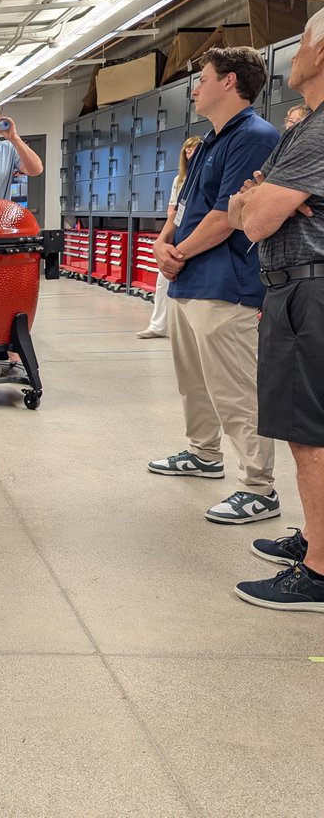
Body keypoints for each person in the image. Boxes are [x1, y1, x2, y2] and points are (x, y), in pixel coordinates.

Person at [147, 46, 281, 524]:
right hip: (189, 280)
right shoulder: (207, 140)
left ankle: (258, 487)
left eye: (202, 78)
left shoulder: (255, 137)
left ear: (229, 82)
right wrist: (164, 243)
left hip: (226, 283)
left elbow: (227, 217)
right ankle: (204, 453)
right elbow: (182, 206)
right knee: (195, 383)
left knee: (236, 388)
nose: (195, 88)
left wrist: (177, 254)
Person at [227, 12, 324, 611]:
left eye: (304, 44)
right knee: (306, 431)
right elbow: (253, 205)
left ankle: (319, 571)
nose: (292, 57)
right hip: (296, 287)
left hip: (309, 291)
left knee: (309, 435)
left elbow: (254, 219)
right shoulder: (304, 128)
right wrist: (258, 200)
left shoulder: (316, 133)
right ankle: (317, 537)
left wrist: (259, 201)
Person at [138, 136, 203, 339]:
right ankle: (158, 325)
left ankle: (189, 329)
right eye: (187, 150)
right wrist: (164, 238)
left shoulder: (205, 175)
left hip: (199, 234)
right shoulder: (179, 180)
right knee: (162, 279)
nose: (190, 153)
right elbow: (172, 208)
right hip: (178, 232)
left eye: (193, 149)